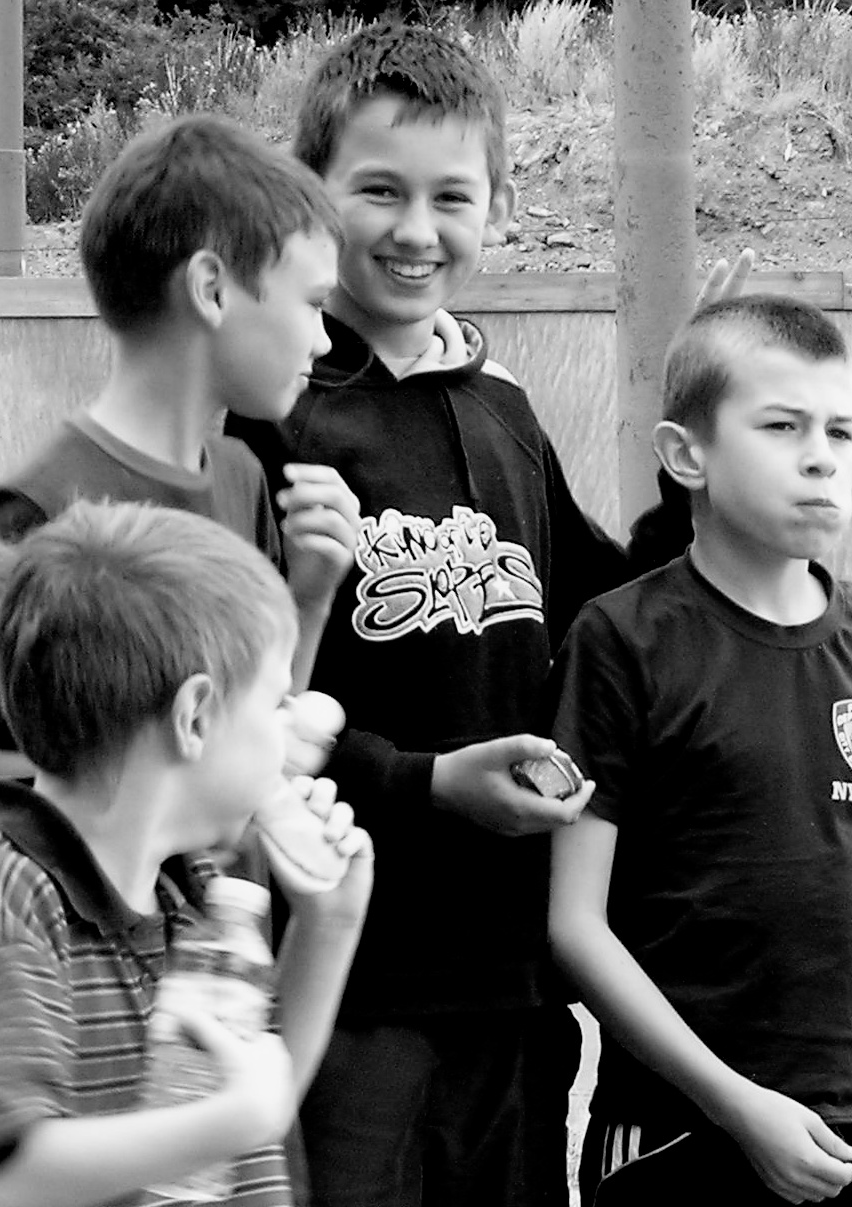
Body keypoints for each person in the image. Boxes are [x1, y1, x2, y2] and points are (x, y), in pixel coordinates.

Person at [229, 24, 630, 1207]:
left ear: (498, 203)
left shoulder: (504, 411)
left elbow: (609, 615)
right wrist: (427, 784)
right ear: (310, 194)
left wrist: (706, 488)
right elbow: (242, 717)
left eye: (452, 196)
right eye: (379, 191)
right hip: (350, 981)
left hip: (511, 980)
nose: (417, 229)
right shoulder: (274, 417)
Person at [549, 295, 852, 1207]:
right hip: (671, 1131)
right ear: (686, 456)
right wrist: (737, 1104)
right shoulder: (621, 640)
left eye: (841, 430)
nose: (821, 455)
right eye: (783, 426)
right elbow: (574, 926)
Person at [0, 113, 361, 829]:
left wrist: (311, 598)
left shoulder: (243, 477)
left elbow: (254, 748)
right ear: (211, 289)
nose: (325, 339)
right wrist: (130, 796)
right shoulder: (37, 511)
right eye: (314, 303)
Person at [0, 500, 373, 1207]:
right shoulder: (4, 893)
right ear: (195, 717)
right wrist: (229, 1120)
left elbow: (247, 1120)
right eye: (277, 702)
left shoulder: (195, 892)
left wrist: (331, 923)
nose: (297, 727)